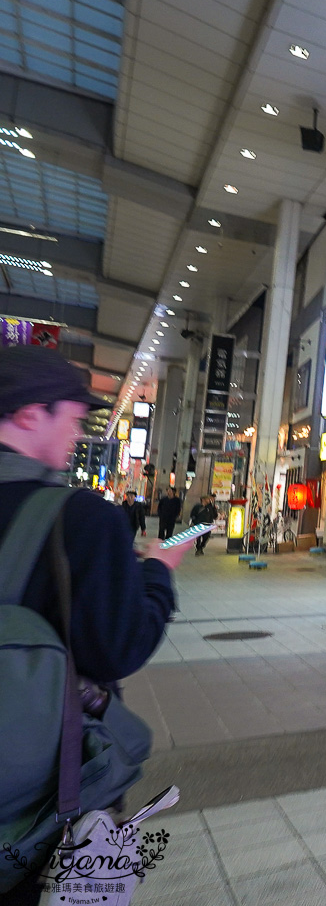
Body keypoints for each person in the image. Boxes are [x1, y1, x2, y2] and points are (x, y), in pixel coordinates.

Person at [0, 346, 182, 905]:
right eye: (74, 419)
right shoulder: (81, 518)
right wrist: (158, 573)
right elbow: (118, 648)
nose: (78, 434)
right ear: (30, 413)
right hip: (35, 795)